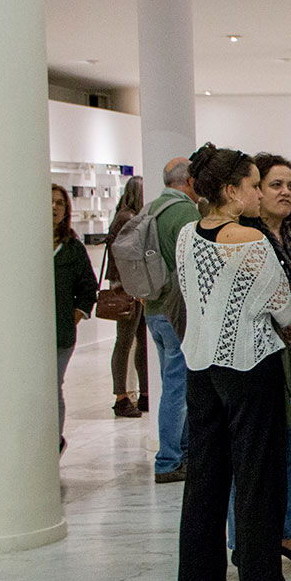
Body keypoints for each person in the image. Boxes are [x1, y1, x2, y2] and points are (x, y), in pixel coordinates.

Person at [174, 143, 291, 581]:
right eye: (254, 185)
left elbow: (195, 296)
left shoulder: (188, 236)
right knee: (259, 479)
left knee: (206, 480)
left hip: (201, 366)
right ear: (231, 191)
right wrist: (283, 322)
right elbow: (284, 305)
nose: (260, 193)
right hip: (250, 365)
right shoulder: (251, 242)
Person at [223, 154, 291, 565]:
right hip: (260, 361)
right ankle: (244, 540)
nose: (285, 192)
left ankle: (282, 531)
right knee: (255, 454)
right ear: (254, 192)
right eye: (275, 185)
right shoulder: (244, 238)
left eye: (290, 186)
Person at [147, 158, 201, 483]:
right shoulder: (183, 213)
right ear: (190, 181)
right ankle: (168, 460)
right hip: (174, 311)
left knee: (172, 384)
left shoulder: (152, 208)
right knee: (177, 387)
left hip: (153, 310)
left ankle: (179, 453)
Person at [52, 184, 97, 452]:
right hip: (29, 333)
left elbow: (87, 289)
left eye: (60, 203)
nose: (54, 207)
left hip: (62, 334)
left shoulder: (73, 249)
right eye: (50, 202)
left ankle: (55, 442)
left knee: (53, 384)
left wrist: (75, 315)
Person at [105, 175, 147, 417]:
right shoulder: (127, 219)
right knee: (125, 341)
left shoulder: (125, 217)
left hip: (133, 286)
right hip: (127, 287)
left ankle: (144, 394)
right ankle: (121, 397)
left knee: (140, 340)